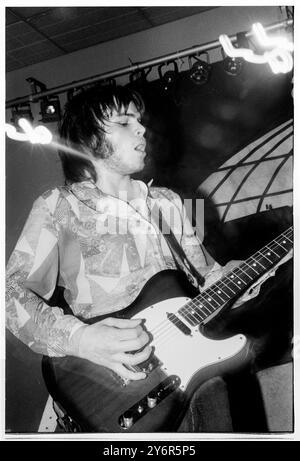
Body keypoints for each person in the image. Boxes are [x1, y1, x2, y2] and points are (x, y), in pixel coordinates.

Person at [5, 84, 280, 432]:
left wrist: (235, 277)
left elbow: (204, 277)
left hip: (198, 371)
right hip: (114, 383)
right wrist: (81, 338)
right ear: (89, 141)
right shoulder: (59, 206)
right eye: (123, 122)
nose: (141, 128)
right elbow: (10, 293)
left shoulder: (170, 202)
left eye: (139, 119)